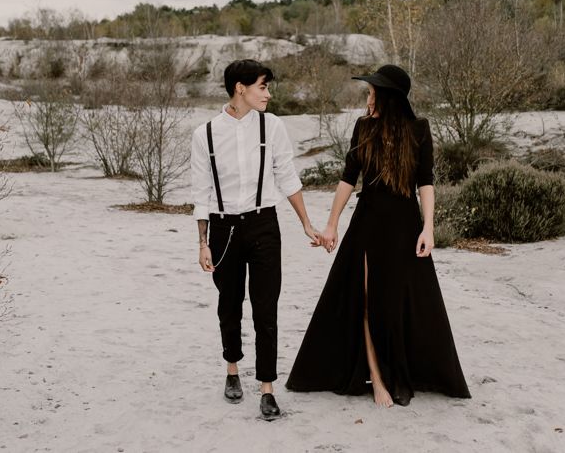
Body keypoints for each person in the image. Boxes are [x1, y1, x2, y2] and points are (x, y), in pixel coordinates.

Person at [286, 64, 471, 407]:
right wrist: (331, 224)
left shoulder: (418, 129)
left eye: (372, 93)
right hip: (368, 222)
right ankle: (377, 377)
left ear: (388, 97)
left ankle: (398, 371)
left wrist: (428, 228)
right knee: (367, 299)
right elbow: (348, 177)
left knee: (397, 301)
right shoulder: (363, 128)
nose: (368, 98)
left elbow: (425, 182)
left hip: (404, 224)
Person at [191, 59, 321, 420]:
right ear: (240, 89)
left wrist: (307, 224)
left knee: (266, 309)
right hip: (222, 229)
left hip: (264, 225)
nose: (268, 93)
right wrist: (202, 243)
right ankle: (232, 371)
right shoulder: (205, 134)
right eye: (263, 86)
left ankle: (267, 387)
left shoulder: (273, 126)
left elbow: (288, 178)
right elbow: (201, 193)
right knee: (229, 305)